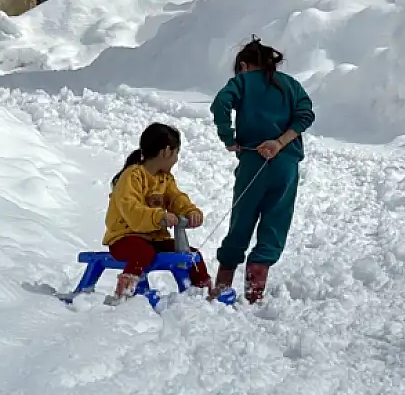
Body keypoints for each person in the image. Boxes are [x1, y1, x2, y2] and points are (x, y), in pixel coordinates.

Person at [209, 37, 315, 303]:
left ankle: (223, 286)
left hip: (253, 161)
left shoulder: (242, 82)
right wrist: (279, 142)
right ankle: (255, 291)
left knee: (242, 219)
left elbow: (220, 103)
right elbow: (305, 115)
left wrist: (229, 138)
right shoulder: (291, 85)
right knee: (276, 220)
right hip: (285, 164)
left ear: (243, 65)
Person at [103, 123, 210, 304]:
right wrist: (158, 216)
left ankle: (205, 292)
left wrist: (190, 211)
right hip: (124, 238)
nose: (176, 159)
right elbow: (132, 209)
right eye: (176, 153)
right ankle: (125, 292)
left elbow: (176, 199)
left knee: (191, 254)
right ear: (166, 152)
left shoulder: (164, 179)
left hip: (153, 240)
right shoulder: (132, 176)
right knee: (143, 252)